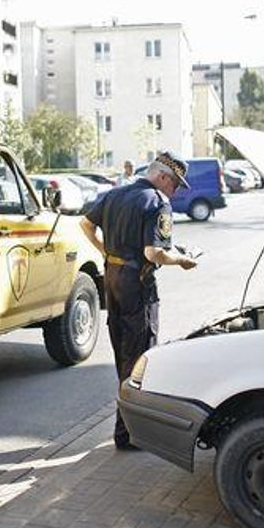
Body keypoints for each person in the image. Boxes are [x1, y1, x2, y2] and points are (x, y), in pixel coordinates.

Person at [80, 151, 198, 449]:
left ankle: (125, 430)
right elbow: (153, 253)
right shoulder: (158, 202)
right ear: (162, 177)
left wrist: (106, 251)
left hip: (112, 279)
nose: (175, 191)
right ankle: (129, 434)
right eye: (175, 184)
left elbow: (85, 225)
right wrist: (182, 259)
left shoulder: (114, 194)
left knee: (122, 353)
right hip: (137, 286)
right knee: (140, 358)